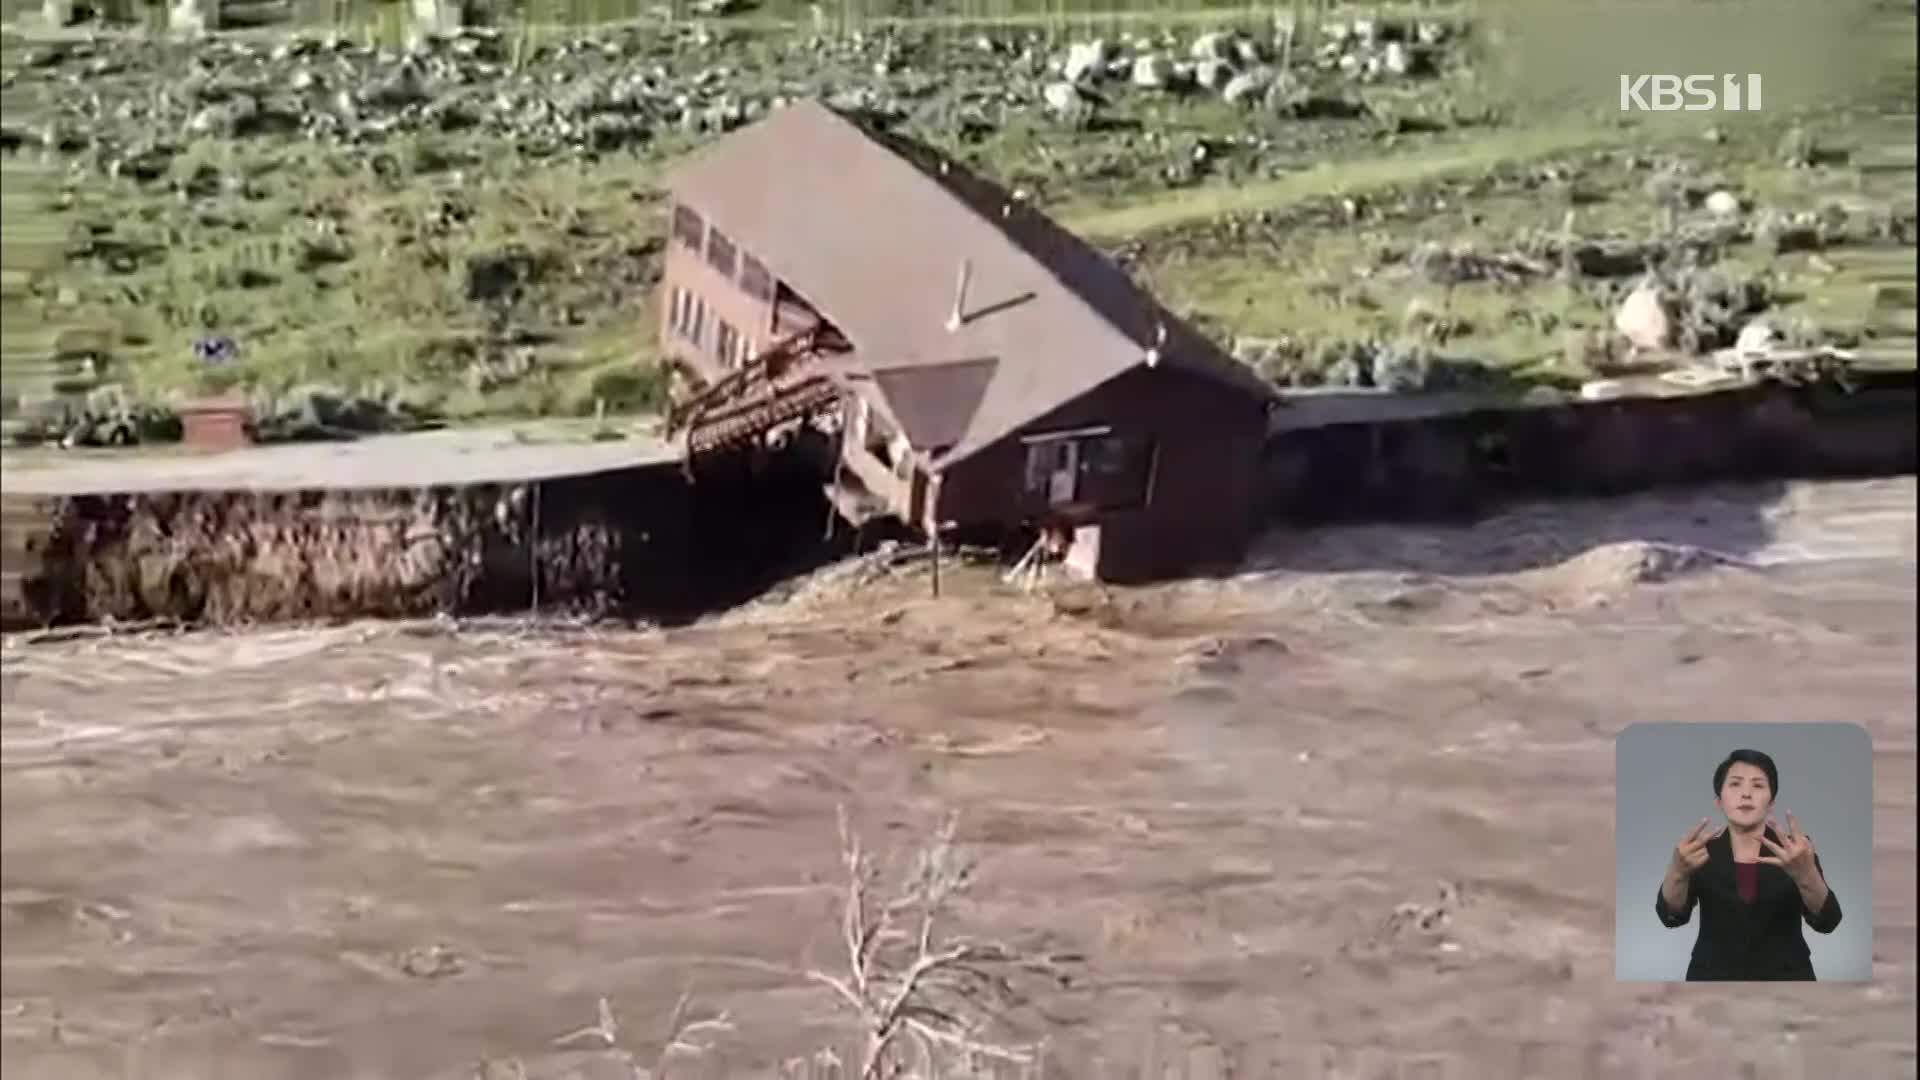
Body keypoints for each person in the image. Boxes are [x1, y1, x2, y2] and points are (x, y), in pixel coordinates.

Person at [1656, 748, 1843, 981]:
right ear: (1718, 801)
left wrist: (1806, 874)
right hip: (1712, 979)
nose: (1746, 794)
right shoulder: (1697, 852)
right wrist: (1677, 871)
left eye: (1758, 785)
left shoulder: (1796, 851)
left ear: (1771, 801)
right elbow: (1671, 916)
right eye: (1735, 784)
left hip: (1787, 979)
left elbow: (1828, 921)